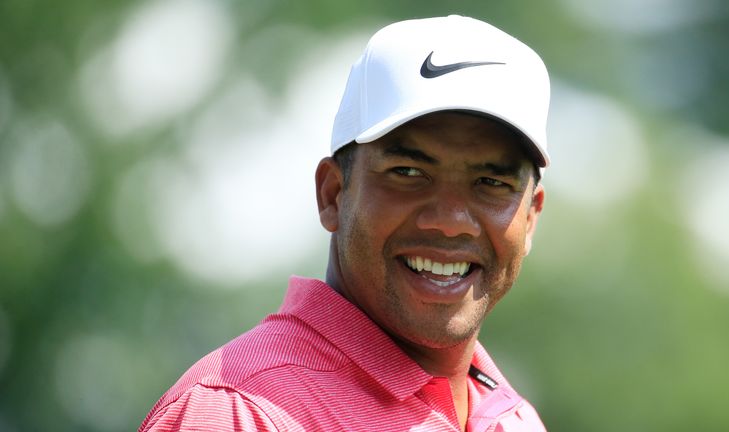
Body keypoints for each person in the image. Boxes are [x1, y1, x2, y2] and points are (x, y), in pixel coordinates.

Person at [140, 14, 550, 432]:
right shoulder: (237, 414)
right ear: (333, 194)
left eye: (490, 182)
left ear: (531, 215)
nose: (449, 222)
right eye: (408, 173)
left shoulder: (517, 420)